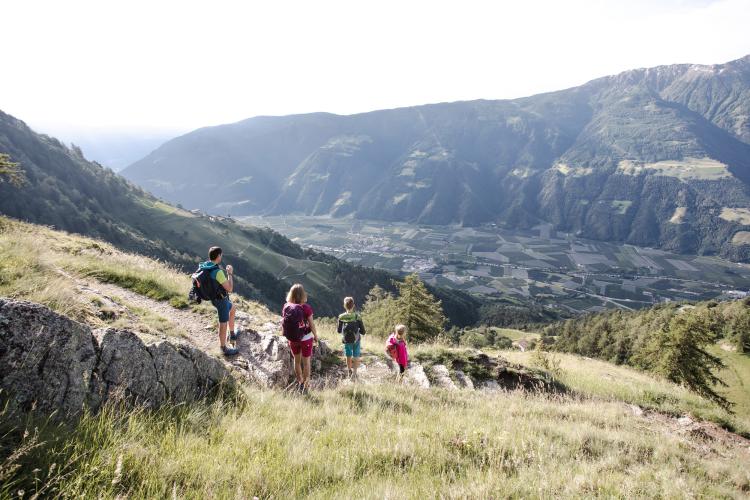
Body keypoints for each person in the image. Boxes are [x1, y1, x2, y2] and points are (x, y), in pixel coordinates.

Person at [199, 246, 239, 356]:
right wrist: (230, 273)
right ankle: (223, 348)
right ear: (218, 256)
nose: (221, 256)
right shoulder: (218, 272)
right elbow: (230, 288)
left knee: (233, 308)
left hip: (214, 298)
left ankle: (232, 334)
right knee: (223, 324)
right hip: (220, 300)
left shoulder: (206, 266)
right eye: (221, 255)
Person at [282, 284, 318, 392]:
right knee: (306, 363)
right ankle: (306, 386)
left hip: (293, 338)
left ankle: (300, 382)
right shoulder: (306, 308)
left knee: (296, 361)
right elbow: (311, 324)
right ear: (303, 295)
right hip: (306, 338)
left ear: (291, 294)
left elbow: (284, 322)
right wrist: (315, 336)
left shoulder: (287, 306)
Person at [337, 297, 366, 379]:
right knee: (356, 356)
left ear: (344, 306)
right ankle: (355, 373)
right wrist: (357, 330)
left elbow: (339, 331)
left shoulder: (341, 317)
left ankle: (349, 371)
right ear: (353, 305)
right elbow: (363, 331)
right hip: (356, 340)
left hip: (346, 340)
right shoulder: (357, 316)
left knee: (348, 355)